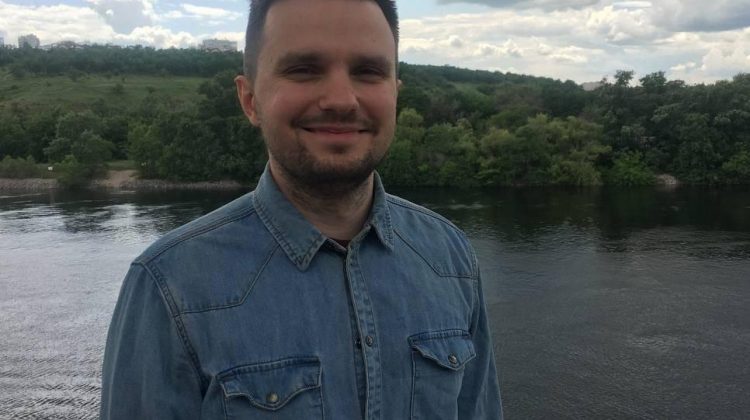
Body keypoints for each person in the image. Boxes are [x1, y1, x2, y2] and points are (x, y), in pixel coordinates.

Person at [100, 0, 503, 418]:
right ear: (250, 99)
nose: (342, 100)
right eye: (304, 69)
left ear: (395, 93)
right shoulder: (170, 286)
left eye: (368, 71)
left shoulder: (450, 257)